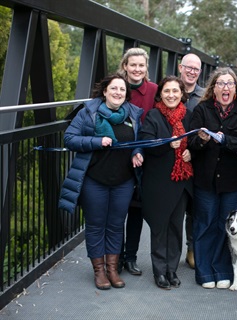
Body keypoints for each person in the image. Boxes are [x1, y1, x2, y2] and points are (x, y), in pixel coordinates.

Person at [59, 74, 143, 290]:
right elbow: (69, 138)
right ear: (104, 91)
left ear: (126, 94)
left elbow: (139, 140)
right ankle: (99, 272)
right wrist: (97, 141)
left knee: (116, 226)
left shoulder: (133, 113)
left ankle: (113, 269)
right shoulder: (88, 112)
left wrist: (137, 151)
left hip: (123, 181)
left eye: (122, 90)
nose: (118, 93)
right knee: (96, 225)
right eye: (113, 88)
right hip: (94, 180)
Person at [189, 67, 237, 289]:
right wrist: (202, 141)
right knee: (204, 223)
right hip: (205, 179)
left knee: (225, 225)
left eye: (229, 84)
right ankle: (204, 271)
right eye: (221, 84)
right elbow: (191, 142)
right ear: (213, 89)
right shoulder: (202, 110)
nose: (225, 87)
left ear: (235, 90)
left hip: (233, 180)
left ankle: (222, 269)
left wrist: (224, 139)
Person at [140, 76, 193, 290]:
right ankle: (159, 271)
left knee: (175, 226)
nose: (171, 95)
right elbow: (146, 143)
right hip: (159, 181)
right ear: (160, 94)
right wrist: (167, 144)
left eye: (175, 91)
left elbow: (197, 141)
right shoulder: (153, 116)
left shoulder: (189, 116)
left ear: (182, 94)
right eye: (166, 91)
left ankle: (172, 269)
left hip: (181, 181)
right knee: (160, 226)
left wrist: (192, 152)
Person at [117, 47, 158, 276]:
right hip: (117, 157)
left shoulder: (154, 90)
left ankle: (130, 257)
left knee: (135, 210)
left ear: (146, 68)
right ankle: (115, 256)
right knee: (115, 211)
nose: (137, 69)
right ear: (125, 66)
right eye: (133, 65)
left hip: (144, 158)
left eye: (141, 65)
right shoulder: (115, 87)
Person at [178, 53, 205, 269]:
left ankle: (192, 248)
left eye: (196, 69)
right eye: (189, 67)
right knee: (175, 206)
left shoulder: (204, 96)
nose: (192, 72)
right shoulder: (169, 91)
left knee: (195, 208)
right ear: (180, 67)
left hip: (197, 157)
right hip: (173, 158)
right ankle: (171, 251)